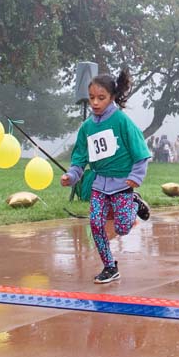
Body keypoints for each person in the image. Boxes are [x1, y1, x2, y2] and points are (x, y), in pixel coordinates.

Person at [59, 69, 152, 284]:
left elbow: (141, 152)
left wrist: (136, 177)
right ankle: (110, 266)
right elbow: (80, 158)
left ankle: (134, 203)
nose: (95, 102)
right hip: (99, 184)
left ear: (112, 97)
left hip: (122, 183)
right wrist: (71, 176)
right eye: (91, 97)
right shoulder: (87, 127)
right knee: (95, 224)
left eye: (101, 98)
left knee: (122, 227)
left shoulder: (122, 121)